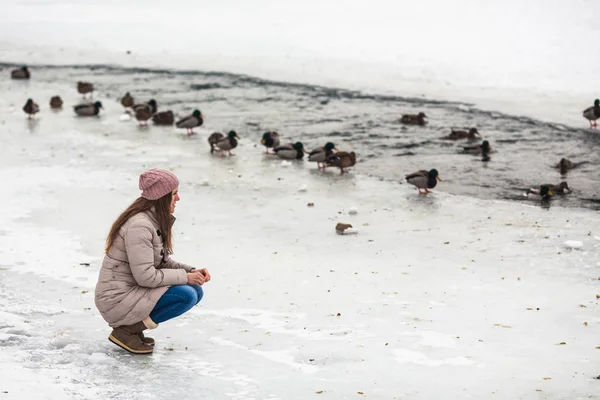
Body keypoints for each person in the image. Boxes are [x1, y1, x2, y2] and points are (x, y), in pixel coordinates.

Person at [94, 168, 211, 354]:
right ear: (162, 196)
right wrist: (185, 277)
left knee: (196, 290)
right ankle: (127, 331)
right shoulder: (140, 226)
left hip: (129, 291)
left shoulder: (151, 220)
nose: (178, 198)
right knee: (186, 295)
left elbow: (161, 261)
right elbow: (146, 277)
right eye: (174, 194)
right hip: (116, 298)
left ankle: (132, 330)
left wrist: (192, 271)